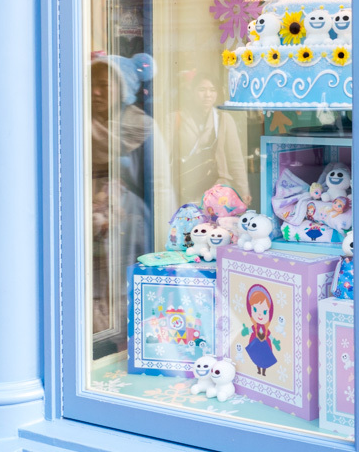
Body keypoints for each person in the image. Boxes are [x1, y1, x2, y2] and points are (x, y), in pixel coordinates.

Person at [90, 54, 171, 341]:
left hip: (132, 227)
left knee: (124, 288)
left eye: (104, 85)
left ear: (122, 88)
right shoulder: (78, 123)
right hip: (90, 227)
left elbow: (159, 185)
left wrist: (165, 237)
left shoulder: (141, 126)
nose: (96, 92)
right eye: (91, 84)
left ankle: (128, 342)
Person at [172, 70, 252, 206]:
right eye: (202, 90)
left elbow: (235, 160)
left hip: (218, 194)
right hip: (186, 190)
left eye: (212, 90)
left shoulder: (224, 119)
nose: (207, 95)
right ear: (192, 92)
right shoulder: (176, 118)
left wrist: (243, 192)